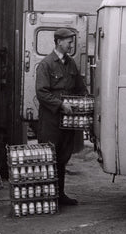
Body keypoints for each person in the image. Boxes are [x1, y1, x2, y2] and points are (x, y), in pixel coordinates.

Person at [35, 28, 87, 206]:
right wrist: (60, 104)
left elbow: (80, 88)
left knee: (63, 157)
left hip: (68, 120)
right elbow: (41, 92)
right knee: (49, 156)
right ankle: (47, 197)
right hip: (51, 120)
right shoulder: (46, 64)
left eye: (72, 41)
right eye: (69, 41)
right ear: (58, 42)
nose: (71, 44)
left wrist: (85, 102)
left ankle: (60, 195)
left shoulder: (70, 64)